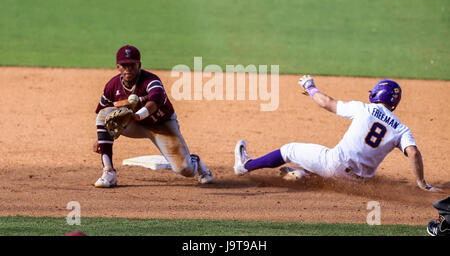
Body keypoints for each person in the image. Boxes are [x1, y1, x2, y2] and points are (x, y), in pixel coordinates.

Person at [233, 75, 440, 191]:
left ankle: (245, 166)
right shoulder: (402, 128)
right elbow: (413, 153)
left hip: (334, 165)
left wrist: (310, 87)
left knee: (289, 150)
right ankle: (303, 175)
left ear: (376, 94)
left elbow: (327, 103)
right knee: (324, 164)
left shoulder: (364, 108)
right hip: (359, 183)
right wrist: (422, 183)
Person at [93, 45, 213, 187]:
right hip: (135, 125)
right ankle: (109, 172)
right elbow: (102, 110)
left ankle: (195, 161)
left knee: (184, 169)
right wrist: (101, 139)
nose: (128, 69)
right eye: (124, 65)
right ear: (118, 66)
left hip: (162, 126)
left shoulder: (150, 80)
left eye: (132, 65)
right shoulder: (112, 86)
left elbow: (155, 100)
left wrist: (139, 115)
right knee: (104, 114)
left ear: (139, 65)